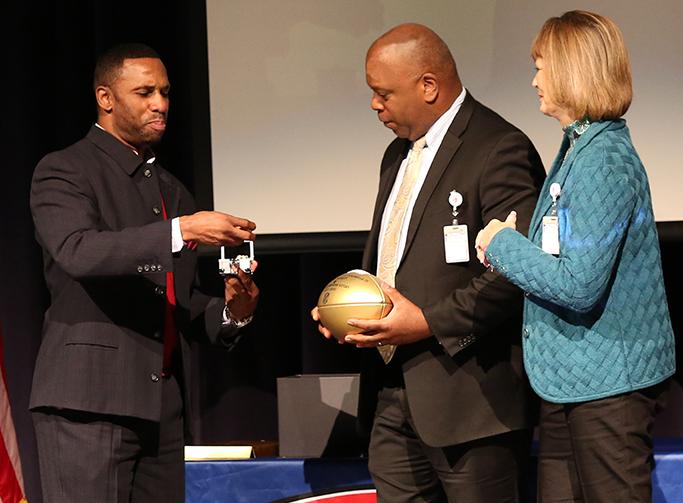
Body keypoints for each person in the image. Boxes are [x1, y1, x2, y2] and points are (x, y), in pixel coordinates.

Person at [313, 24, 545, 502]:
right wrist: (347, 310)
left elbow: (515, 273)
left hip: (469, 405)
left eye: (383, 93)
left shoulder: (499, 147)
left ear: (428, 86)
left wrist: (426, 322)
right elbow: (393, 261)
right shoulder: (396, 155)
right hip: (391, 400)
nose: (375, 105)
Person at [29, 43, 259, 502]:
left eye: (166, 92)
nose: (160, 103)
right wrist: (181, 229)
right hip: (88, 403)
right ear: (106, 98)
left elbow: (178, 299)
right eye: (145, 92)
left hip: (160, 409)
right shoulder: (64, 170)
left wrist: (234, 310)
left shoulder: (172, 190)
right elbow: (77, 250)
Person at [475, 10, 675, 502]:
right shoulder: (579, 149)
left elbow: (579, 284)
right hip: (572, 381)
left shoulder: (603, 160)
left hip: (608, 385)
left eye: (541, 66)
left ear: (571, 71)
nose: (534, 80)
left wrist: (500, 245)